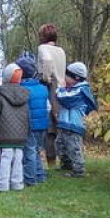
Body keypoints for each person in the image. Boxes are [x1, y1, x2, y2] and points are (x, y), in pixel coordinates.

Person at [0, 63, 30, 192]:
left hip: (4, 133)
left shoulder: (0, 92)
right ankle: (17, 184)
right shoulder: (25, 93)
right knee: (18, 158)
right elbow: (28, 114)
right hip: (21, 132)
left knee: (5, 158)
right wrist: (28, 129)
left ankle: (3, 185)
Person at [55, 61, 98, 178]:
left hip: (74, 125)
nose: (65, 77)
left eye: (67, 75)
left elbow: (64, 99)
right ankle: (66, 164)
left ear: (76, 78)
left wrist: (60, 88)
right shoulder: (72, 89)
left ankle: (79, 170)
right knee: (60, 144)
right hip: (65, 123)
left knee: (74, 147)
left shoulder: (80, 91)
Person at [36, 24, 67, 167]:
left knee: (50, 127)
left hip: (50, 87)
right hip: (62, 88)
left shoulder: (42, 48)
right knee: (60, 125)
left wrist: (45, 77)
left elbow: (47, 61)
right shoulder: (61, 50)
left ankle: (52, 161)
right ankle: (65, 158)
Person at [17, 56, 50, 186]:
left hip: (30, 124)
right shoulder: (42, 88)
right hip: (42, 124)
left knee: (29, 151)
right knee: (36, 150)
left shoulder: (22, 89)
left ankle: (30, 178)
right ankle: (40, 175)